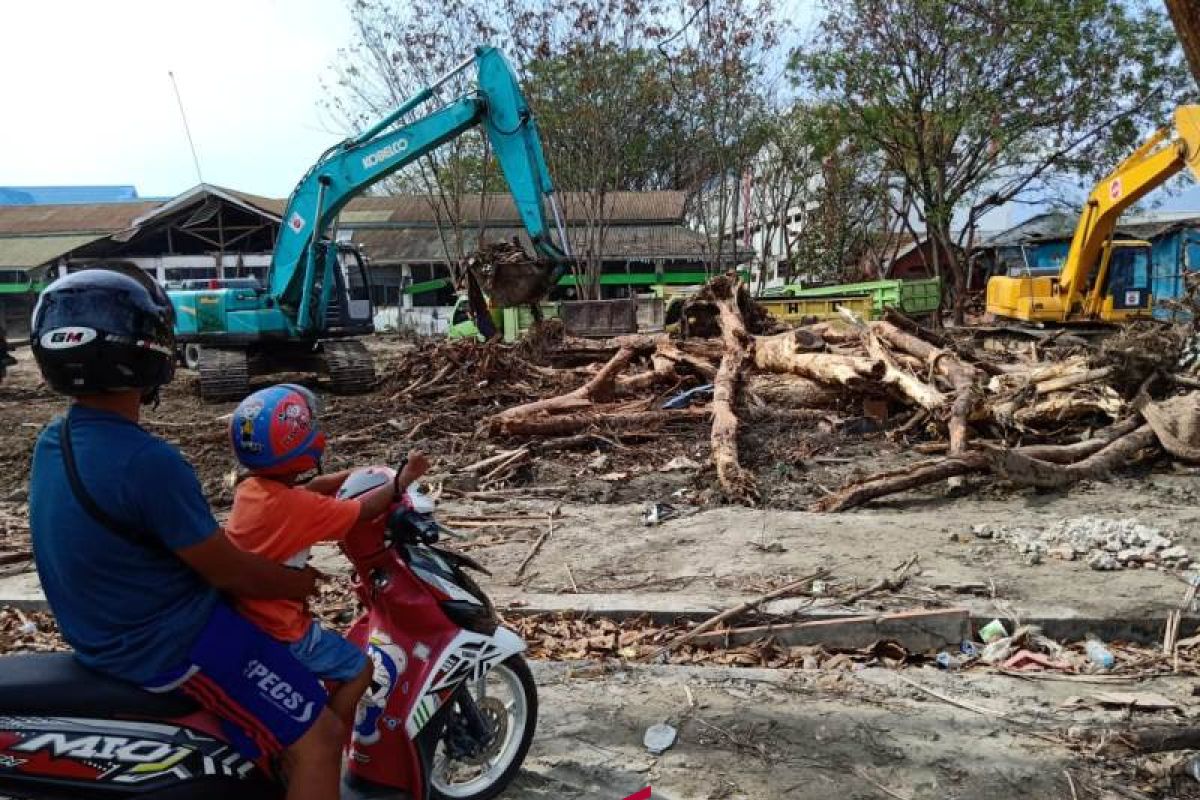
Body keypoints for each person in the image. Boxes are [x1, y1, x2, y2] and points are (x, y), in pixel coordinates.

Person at [25, 267, 390, 800]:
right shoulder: (148, 462)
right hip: (170, 642)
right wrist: (299, 585)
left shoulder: (53, 441)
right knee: (322, 736)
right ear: (150, 352)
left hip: (104, 627)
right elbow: (229, 570)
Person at [225, 383, 429, 728]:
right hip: (284, 631)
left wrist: (354, 473)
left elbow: (311, 489)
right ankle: (330, 730)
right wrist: (402, 480)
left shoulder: (251, 491)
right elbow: (361, 511)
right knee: (360, 669)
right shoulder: (296, 508)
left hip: (247, 620)